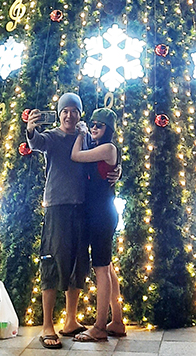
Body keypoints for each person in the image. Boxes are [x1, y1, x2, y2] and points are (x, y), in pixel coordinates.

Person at [26, 93, 89, 349]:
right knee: (52, 262)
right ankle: (47, 325)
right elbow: (36, 143)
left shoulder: (84, 137)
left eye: (74, 110)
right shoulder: (52, 137)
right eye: (65, 111)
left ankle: (71, 320)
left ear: (79, 113)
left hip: (81, 206)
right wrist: (30, 129)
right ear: (59, 113)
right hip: (57, 206)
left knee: (77, 262)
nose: (69, 115)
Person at [70, 108, 126, 342]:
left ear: (108, 129)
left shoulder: (107, 148)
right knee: (107, 267)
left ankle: (100, 326)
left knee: (101, 269)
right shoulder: (103, 148)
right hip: (99, 213)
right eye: (92, 124)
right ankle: (117, 321)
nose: (94, 128)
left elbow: (75, 156)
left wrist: (80, 134)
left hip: (102, 214)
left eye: (99, 126)